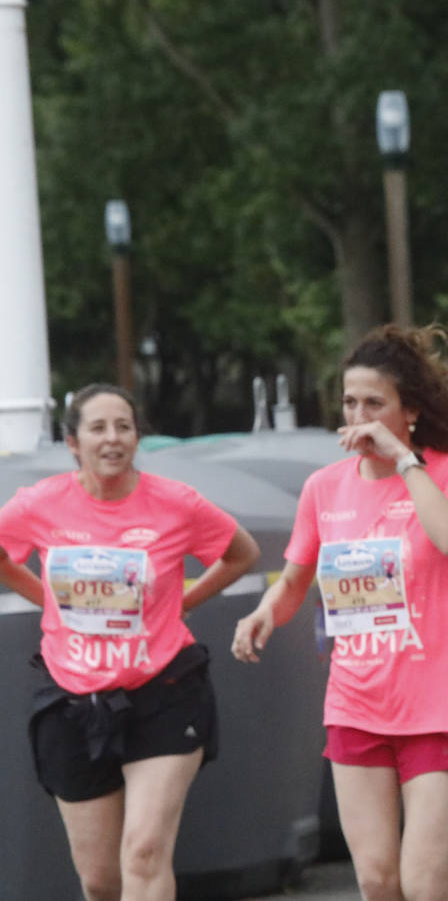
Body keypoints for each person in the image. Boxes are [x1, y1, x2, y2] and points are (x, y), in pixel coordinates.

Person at [231, 325, 448, 901]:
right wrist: (265, 611)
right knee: (378, 883)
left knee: (424, 888)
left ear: (408, 410)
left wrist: (405, 461)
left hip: (438, 705)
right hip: (357, 704)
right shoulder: (323, 488)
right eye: (349, 402)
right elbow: (295, 578)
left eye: (373, 403)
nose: (358, 415)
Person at [0, 384, 259, 900]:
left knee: (143, 852)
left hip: (164, 691)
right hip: (73, 702)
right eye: (98, 428)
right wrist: (47, 599)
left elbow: (242, 553)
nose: (113, 439)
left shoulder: (175, 503)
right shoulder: (38, 504)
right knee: (100, 881)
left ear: (138, 436)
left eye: (124, 426)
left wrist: (183, 602)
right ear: (73, 443)